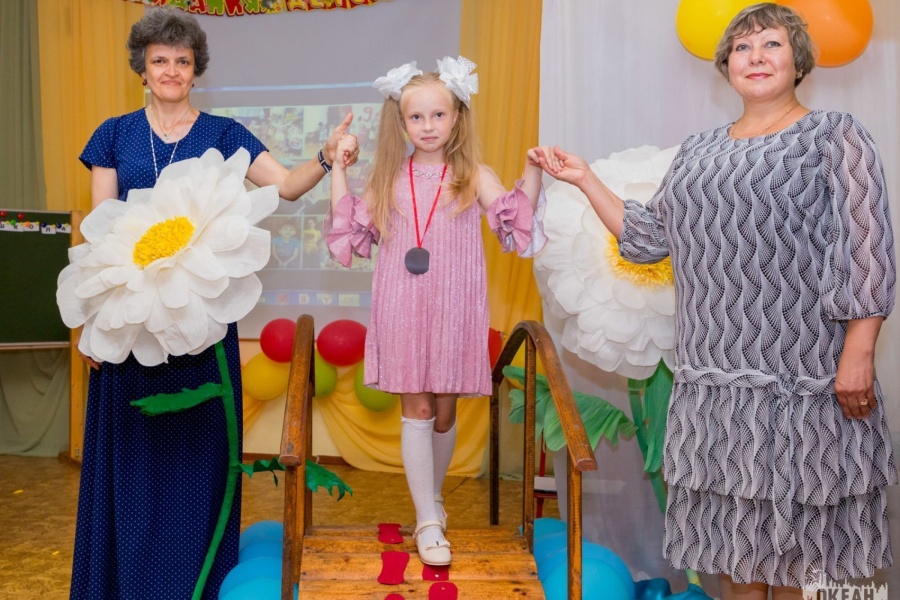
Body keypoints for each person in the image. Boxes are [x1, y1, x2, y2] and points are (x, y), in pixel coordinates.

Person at [533, 4, 895, 599]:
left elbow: (868, 248)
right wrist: (585, 179)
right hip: (713, 389)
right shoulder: (699, 150)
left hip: (802, 381)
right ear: (726, 65)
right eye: (742, 47)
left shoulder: (835, 135)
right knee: (734, 555)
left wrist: (858, 352)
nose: (756, 57)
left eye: (772, 44)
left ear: (798, 60)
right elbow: (650, 239)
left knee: (796, 557)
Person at [71, 8, 358, 599]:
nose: (171, 70)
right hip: (130, 329)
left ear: (195, 68)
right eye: (159, 60)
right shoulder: (113, 135)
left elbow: (285, 187)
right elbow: (99, 235)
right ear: (142, 68)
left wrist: (327, 156)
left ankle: (193, 585)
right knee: (134, 463)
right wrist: (92, 324)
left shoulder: (225, 134)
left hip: (202, 328)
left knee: (196, 463)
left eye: (182, 60)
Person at [325, 57, 547, 565]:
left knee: (445, 413)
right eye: (416, 117)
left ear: (457, 118)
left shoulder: (473, 175)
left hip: (453, 309)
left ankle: (434, 498)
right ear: (402, 123)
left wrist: (533, 170)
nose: (428, 126)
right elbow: (350, 230)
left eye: (438, 115)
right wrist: (338, 169)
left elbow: (515, 221)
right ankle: (427, 520)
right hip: (402, 307)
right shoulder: (389, 178)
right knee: (419, 410)